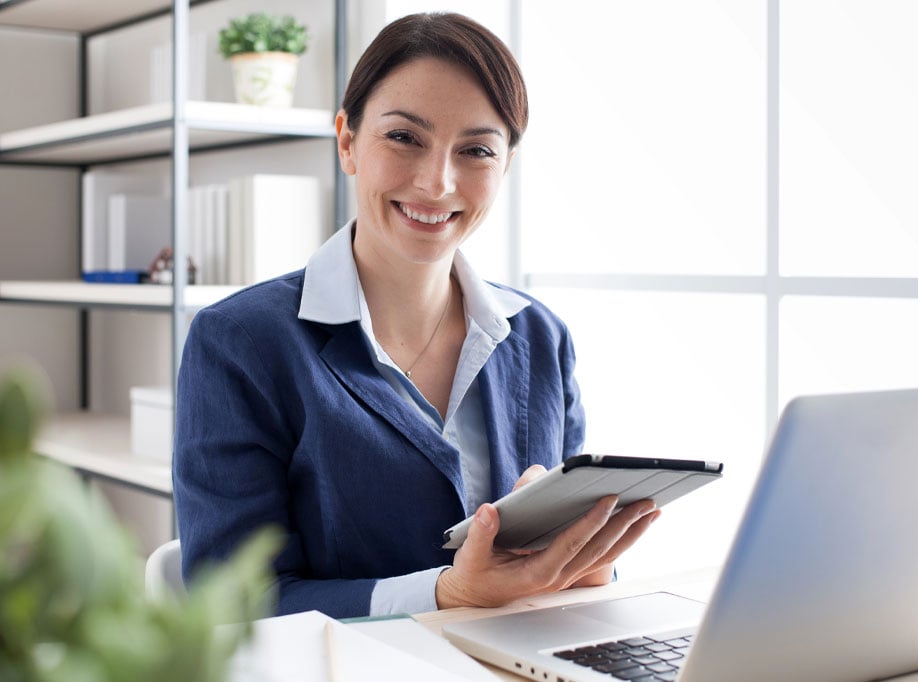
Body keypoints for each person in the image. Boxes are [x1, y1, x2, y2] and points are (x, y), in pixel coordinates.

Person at [173, 11, 660, 620]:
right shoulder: (240, 342)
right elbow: (229, 605)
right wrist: (445, 594)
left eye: (477, 150)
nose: (437, 182)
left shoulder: (540, 336)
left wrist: (586, 561)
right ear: (347, 141)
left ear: (505, 164)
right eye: (405, 137)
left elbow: (572, 575)